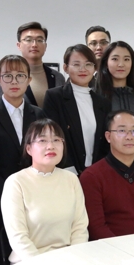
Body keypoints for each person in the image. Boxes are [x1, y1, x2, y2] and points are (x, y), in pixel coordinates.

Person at [0, 55, 47, 265]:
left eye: (20, 76)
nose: (14, 81)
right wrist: (7, 198)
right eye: (7, 76)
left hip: (33, 200)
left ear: (29, 80)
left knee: (30, 260)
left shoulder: (38, 114)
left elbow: (42, 156)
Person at [1, 119, 88, 263]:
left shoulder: (71, 179)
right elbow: (18, 237)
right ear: (29, 149)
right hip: (28, 263)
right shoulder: (16, 182)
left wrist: (75, 259)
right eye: (42, 140)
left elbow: (80, 228)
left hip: (70, 260)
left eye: (56, 140)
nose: (51, 146)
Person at [80, 111, 134, 239]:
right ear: (108, 137)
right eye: (122, 131)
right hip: (111, 248)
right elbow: (96, 227)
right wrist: (121, 249)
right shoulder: (91, 176)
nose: (129, 137)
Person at [43, 45, 111, 175]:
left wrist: (99, 169)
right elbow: (52, 136)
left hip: (97, 172)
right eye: (76, 64)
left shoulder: (102, 102)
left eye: (88, 64)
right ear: (66, 68)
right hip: (65, 171)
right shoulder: (55, 97)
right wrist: (70, 171)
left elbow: (105, 141)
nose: (83, 69)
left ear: (95, 68)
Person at [95, 41, 134, 159]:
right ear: (106, 63)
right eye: (115, 59)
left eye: (126, 59)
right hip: (106, 165)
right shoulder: (96, 95)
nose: (121, 64)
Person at [0, 22, 66, 107]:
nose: (34, 44)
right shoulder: (6, 79)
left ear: (45, 46)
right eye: (28, 40)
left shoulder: (58, 77)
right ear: (19, 45)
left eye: (40, 40)